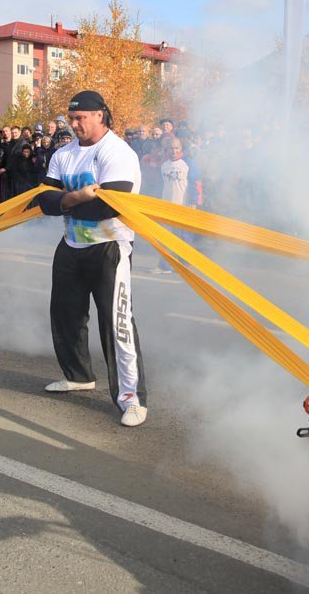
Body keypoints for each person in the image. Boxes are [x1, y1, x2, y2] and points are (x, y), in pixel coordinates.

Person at [37, 90, 147, 427]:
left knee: (117, 324)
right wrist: (78, 197)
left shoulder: (118, 153)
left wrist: (65, 201)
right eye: (71, 118)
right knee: (65, 314)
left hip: (110, 246)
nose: (73, 124)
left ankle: (133, 399)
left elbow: (107, 206)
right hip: (71, 244)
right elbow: (44, 201)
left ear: (100, 115)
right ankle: (79, 375)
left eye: (80, 118)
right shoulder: (63, 154)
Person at [153, 137, 202, 274]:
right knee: (165, 237)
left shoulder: (188, 164)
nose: (174, 151)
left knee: (184, 237)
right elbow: (160, 185)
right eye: (171, 148)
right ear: (167, 150)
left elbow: (196, 184)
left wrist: (193, 203)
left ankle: (185, 265)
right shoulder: (164, 165)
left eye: (177, 148)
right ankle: (164, 266)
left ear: (181, 148)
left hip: (183, 207)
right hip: (167, 207)